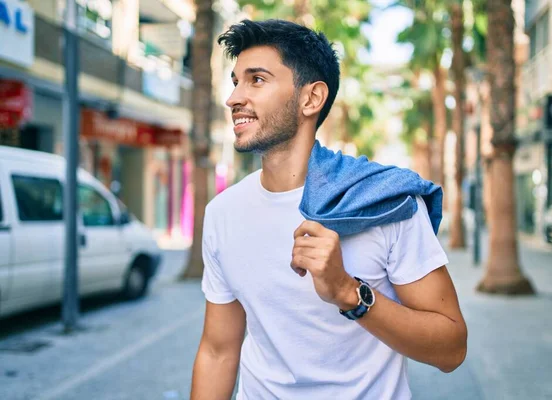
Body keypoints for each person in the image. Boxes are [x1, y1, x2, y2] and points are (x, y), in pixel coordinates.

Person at [190, 19, 467, 400]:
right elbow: (218, 351)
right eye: (235, 81)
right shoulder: (223, 212)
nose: (234, 98)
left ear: (311, 98)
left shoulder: (382, 204)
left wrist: (348, 292)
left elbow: (452, 349)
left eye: (256, 80)